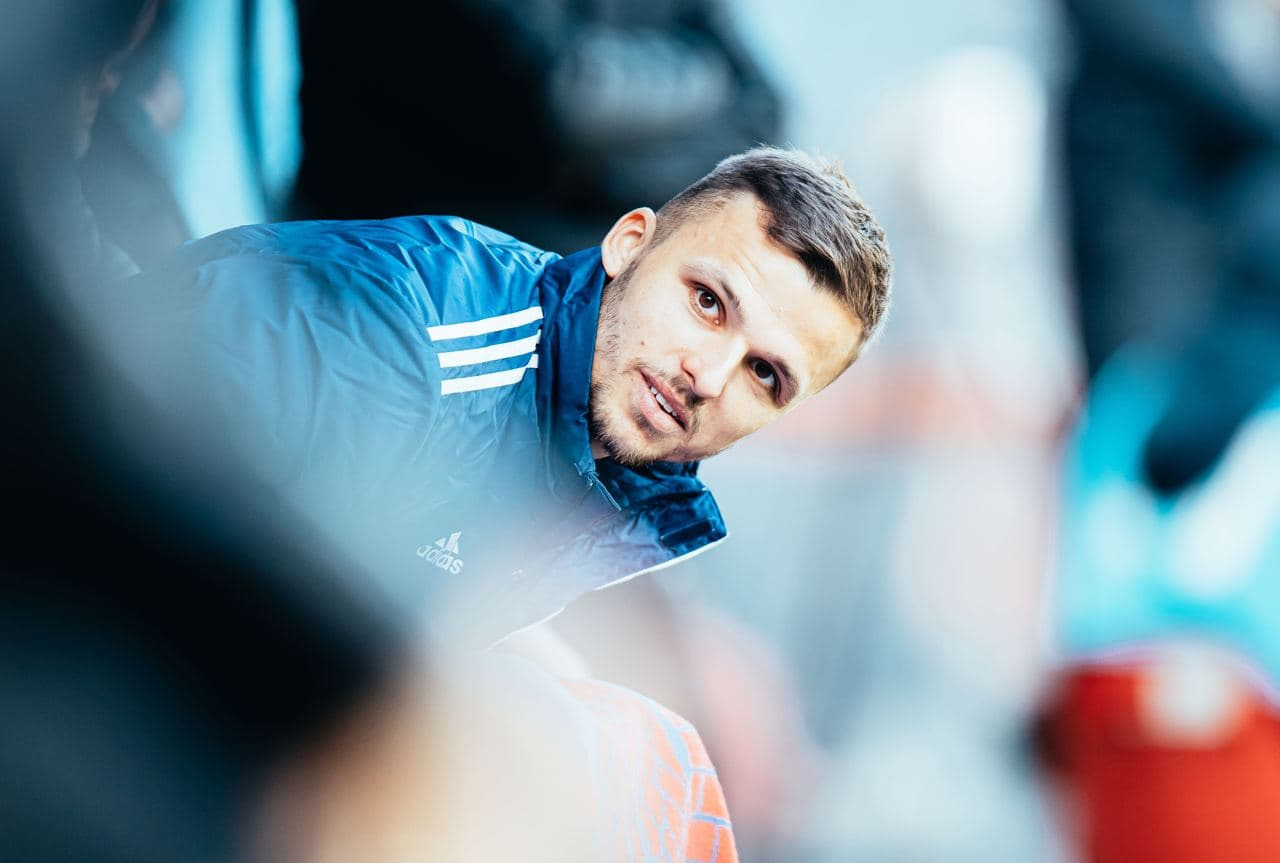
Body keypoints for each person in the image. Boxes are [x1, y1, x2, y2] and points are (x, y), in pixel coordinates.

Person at [109, 146, 891, 644]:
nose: (709, 377)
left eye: (765, 374)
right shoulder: (401, 343)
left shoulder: (610, 480)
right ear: (629, 244)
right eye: (708, 302)